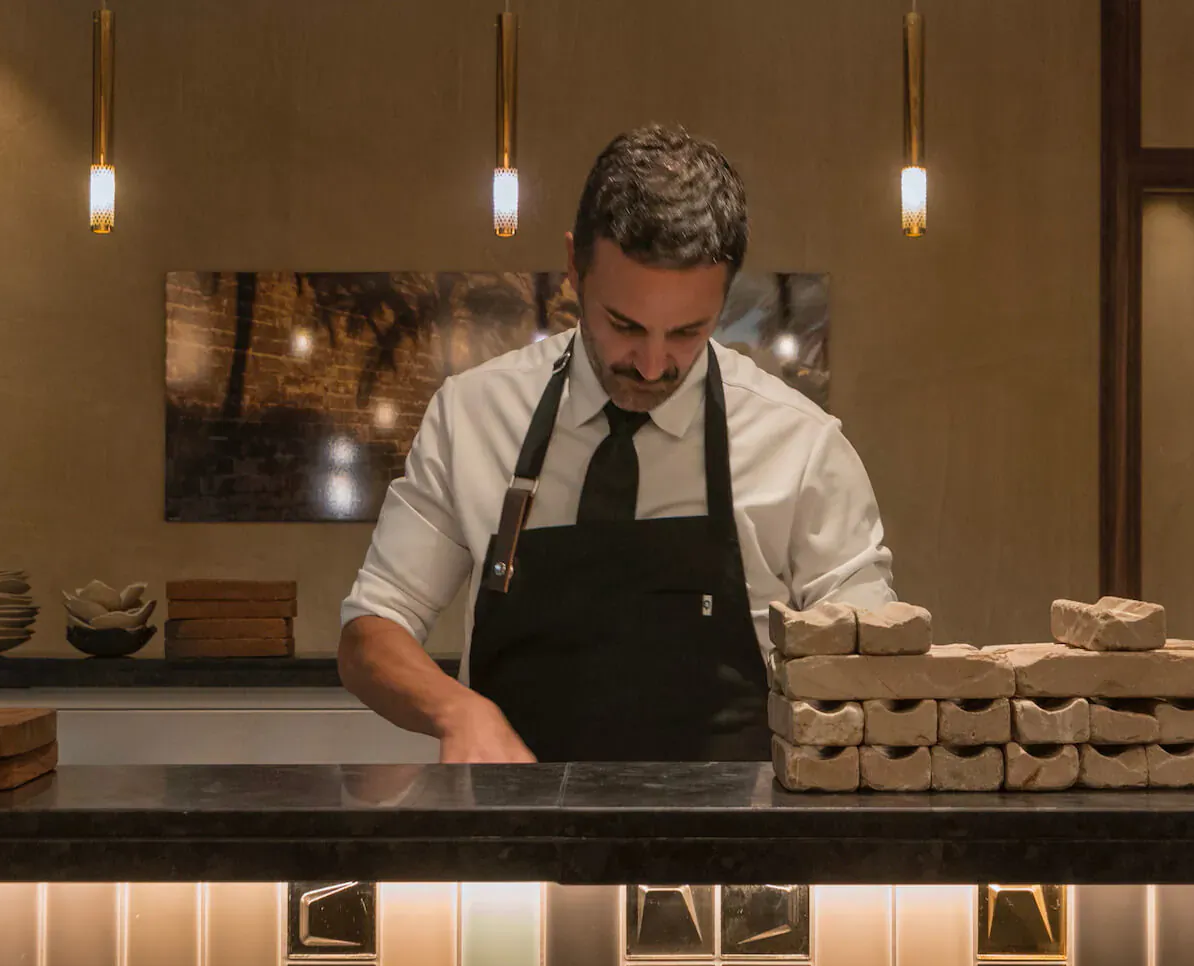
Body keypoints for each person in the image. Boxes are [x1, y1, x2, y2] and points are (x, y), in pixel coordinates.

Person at [338, 124, 894, 764]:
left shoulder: (802, 448)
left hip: (731, 830)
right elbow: (371, 632)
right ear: (575, 268)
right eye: (624, 325)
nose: (653, 366)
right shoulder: (472, 416)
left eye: (687, 332)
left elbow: (873, 669)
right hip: (518, 824)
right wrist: (456, 711)